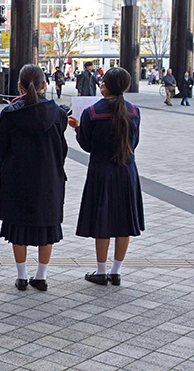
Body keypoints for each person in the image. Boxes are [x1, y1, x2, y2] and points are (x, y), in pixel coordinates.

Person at [0, 65, 68, 292]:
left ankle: (21, 276)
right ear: (44, 85)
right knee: (47, 228)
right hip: (49, 179)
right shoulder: (58, 113)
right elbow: (62, 149)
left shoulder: (9, 114)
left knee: (18, 228)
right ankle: (41, 276)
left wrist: (4, 169)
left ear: (19, 86)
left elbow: (0, 150)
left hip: (16, 178)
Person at [68, 67, 143, 286]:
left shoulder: (92, 112)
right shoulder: (134, 111)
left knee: (102, 222)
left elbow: (87, 145)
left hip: (101, 172)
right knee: (124, 222)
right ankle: (116, 271)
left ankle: (101, 271)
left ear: (105, 86)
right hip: (127, 172)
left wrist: (77, 128)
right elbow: (133, 143)